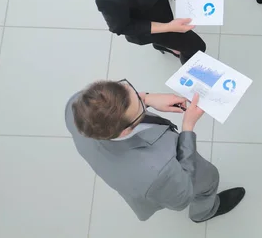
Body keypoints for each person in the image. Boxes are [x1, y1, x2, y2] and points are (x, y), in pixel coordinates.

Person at [65, 80, 245, 222]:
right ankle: (204, 213)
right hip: (167, 180)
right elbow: (183, 196)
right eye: (139, 106)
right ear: (126, 130)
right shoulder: (157, 172)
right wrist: (188, 127)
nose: (140, 96)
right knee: (209, 179)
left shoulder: (78, 105)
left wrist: (148, 99)